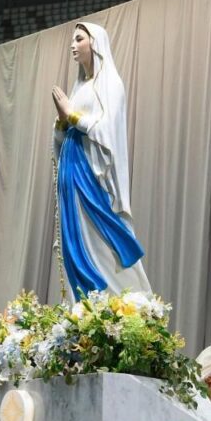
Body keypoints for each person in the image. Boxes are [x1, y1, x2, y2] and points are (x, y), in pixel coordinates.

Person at [52, 22, 151, 300]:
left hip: (92, 173)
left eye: (79, 39)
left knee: (99, 234)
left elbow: (107, 130)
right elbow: (65, 130)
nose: (73, 45)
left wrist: (71, 114)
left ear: (94, 43)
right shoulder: (79, 87)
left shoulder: (110, 84)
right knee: (75, 237)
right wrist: (62, 120)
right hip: (71, 167)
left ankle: (119, 297)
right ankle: (84, 301)